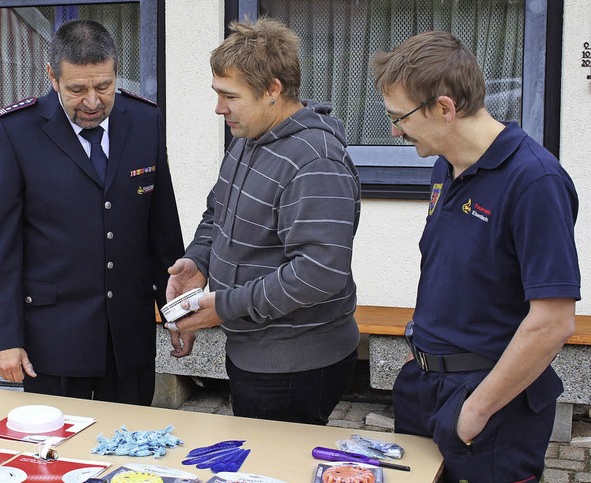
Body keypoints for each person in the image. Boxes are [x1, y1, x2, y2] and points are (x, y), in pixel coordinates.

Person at [371, 31, 581, 482]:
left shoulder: (535, 182)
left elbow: (554, 321)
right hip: (424, 386)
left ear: (444, 108)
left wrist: (476, 410)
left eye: (400, 117)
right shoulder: (445, 165)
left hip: (491, 405)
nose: (394, 131)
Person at [164, 17, 361, 425]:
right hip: (254, 352)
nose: (219, 108)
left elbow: (318, 274)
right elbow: (217, 211)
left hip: (296, 366)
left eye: (229, 96)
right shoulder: (248, 140)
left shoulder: (315, 161)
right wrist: (198, 261)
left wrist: (224, 306)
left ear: (273, 89)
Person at [0, 19, 185, 406]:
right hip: (53, 340)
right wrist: (5, 339)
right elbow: (0, 246)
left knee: (130, 451)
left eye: (103, 86)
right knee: (56, 450)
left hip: (128, 335)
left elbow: (162, 230)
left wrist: (177, 315)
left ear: (116, 71)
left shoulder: (144, 121)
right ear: (52, 77)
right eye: (77, 89)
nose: (92, 101)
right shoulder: (15, 131)